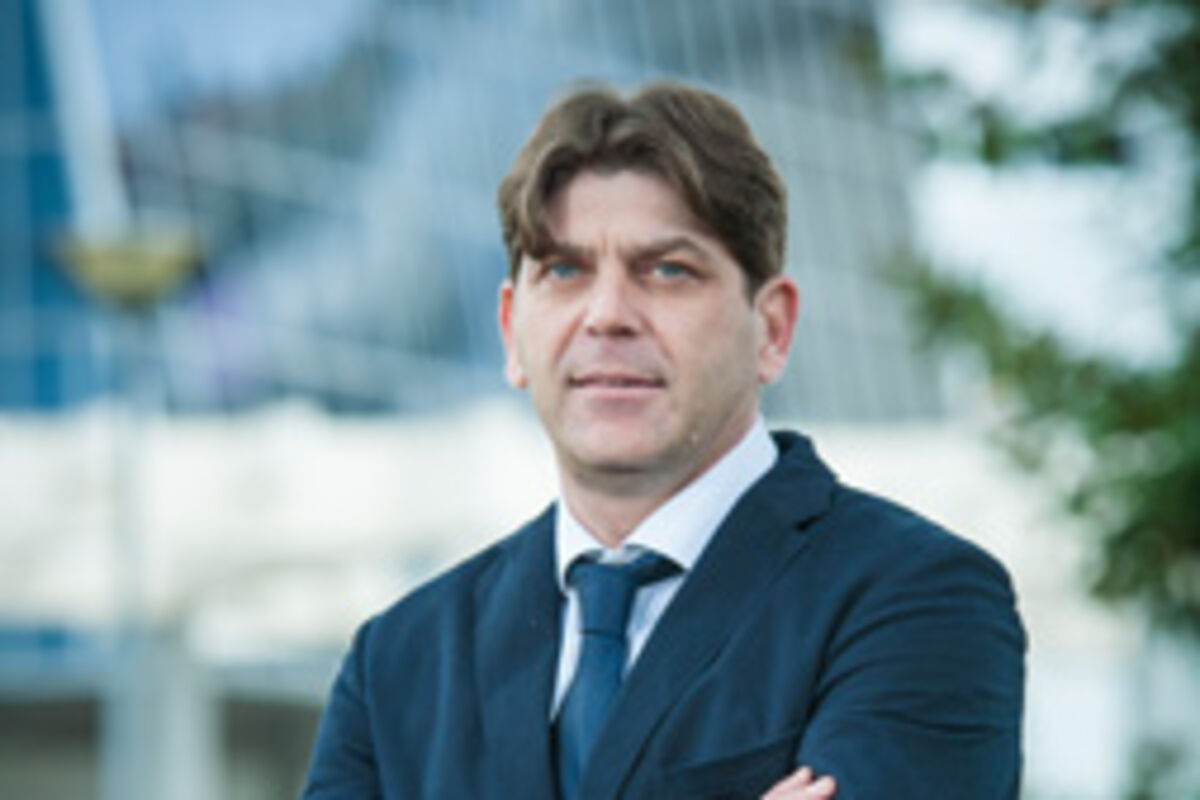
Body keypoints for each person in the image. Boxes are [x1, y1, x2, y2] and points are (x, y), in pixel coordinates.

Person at [302, 81, 1026, 799]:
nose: (607, 315)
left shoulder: (919, 603)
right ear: (511, 332)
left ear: (771, 330)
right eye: (564, 270)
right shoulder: (397, 662)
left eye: (668, 271)